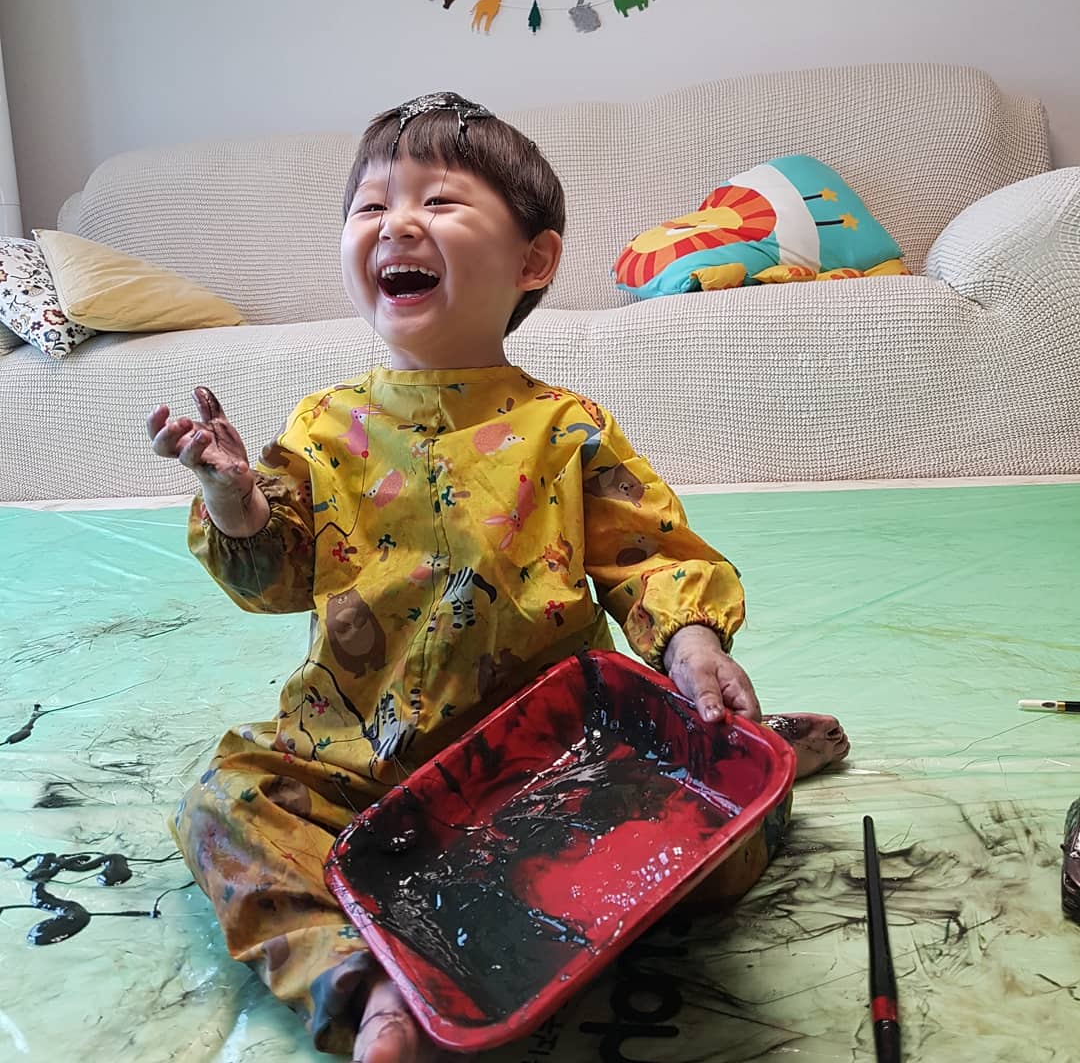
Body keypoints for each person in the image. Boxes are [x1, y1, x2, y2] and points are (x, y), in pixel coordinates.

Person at [147, 93, 849, 1063]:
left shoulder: (566, 428)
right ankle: (364, 984)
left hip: (554, 766)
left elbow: (650, 555)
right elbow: (272, 578)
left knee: (702, 852)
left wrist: (692, 644)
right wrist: (236, 504)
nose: (397, 223)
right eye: (371, 206)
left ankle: (744, 753)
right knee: (220, 805)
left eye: (438, 201)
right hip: (359, 763)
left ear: (534, 261)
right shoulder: (319, 428)